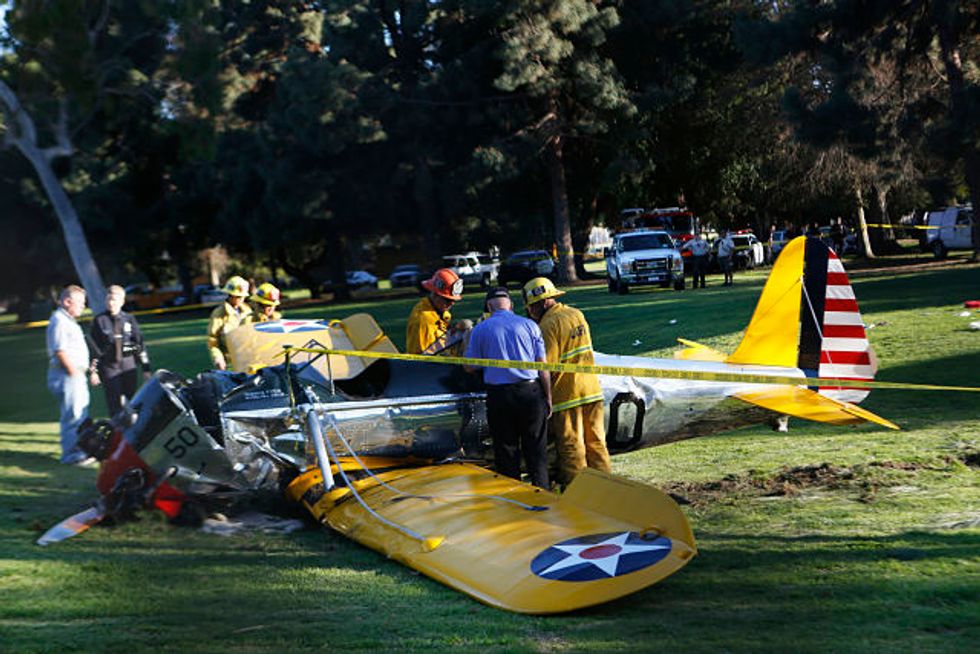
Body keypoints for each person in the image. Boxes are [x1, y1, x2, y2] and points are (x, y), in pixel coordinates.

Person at [523, 277, 611, 485]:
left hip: (567, 396)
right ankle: (606, 488)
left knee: (572, 447)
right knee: (597, 443)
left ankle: (579, 493)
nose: (530, 313)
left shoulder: (547, 325)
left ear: (542, 302)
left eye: (531, 307)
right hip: (592, 390)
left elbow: (548, 366)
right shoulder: (576, 314)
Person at [464, 287, 552, 488]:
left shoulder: (480, 330)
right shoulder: (530, 325)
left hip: (499, 396)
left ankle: (514, 499)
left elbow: (468, 366)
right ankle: (544, 494)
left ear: (489, 306)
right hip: (530, 393)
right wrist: (548, 396)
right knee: (537, 452)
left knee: (506, 452)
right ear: (510, 305)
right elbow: (543, 366)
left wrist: (470, 342)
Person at [46, 285, 95, 465]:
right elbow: (59, 351)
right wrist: (74, 373)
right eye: (80, 303)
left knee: (80, 414)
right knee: (72, 416)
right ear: (67, 302)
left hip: (74, 375)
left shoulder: (68, 320)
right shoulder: (59, 320)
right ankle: (70, 455)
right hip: (67, 375)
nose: (83, 306)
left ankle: (80, 451)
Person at [88, 285, 151, 416]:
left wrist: (146, 369)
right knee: (114, 403)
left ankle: (134, 431)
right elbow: (94, 349)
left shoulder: (129, 319)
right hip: (109, 367)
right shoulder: (99, 320)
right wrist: (94, 371)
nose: (111, 303)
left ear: (122, 301)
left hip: (129, 365)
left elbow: (139, 344)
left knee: (133, 400)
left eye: (114, 300)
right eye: (108, 299)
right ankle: (117, 430)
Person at [406, 268, 468, 355]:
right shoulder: (424, 320)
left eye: (454, 300)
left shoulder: (439, 311)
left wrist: (455, 332)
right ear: (435, 294)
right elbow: (422, 359)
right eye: (447, 300)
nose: (452, 303)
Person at [207, 275, 253, 370]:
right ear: (230, 295)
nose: (241, 299)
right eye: (238, 296)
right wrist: (218, 358)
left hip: (249, 361)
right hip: (230, 363)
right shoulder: (219, 314)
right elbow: (212, 340)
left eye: (243, 296)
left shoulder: (248, 311)